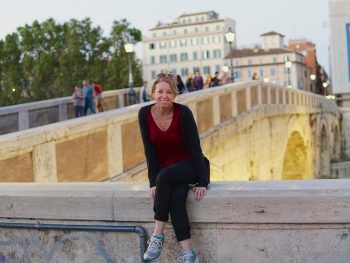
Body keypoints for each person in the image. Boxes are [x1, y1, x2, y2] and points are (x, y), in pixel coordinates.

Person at [138, 72, 209, 263]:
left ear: (175, 95)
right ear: (152, 92)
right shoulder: (144, 114)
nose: (164, 96)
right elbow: (149, 151)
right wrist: (153, 182)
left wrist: (203, 181)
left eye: (169, 92)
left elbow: (195, 148)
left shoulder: (183, 113)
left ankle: (157, 236)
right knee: (177, 198)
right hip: (168, 172)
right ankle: (188, 253)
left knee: (165, 177)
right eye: (160, 91)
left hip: (191, 165)